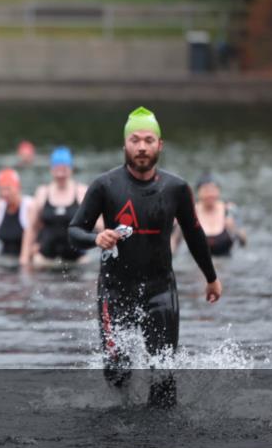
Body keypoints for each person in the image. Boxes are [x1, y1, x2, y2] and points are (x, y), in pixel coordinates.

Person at [68, 107, 221, 404]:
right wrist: (95, 237)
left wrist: (211, 278)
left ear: (160, 145)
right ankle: (121, 436)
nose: (141, 147)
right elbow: (74, 232)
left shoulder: (176, 188)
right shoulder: (105, 185)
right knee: (117, 372)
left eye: (149, 140)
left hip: (160, 290)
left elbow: (194, 234)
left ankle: (159, 446)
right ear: (124, 145)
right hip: (115, 291)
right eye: (135, 140)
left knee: (163, 375)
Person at [20, 147, 91, 267]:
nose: (60, 174)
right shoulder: (42, 193)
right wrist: (24, 258)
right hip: (45, 261)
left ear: (71, 169)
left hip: (77, 261)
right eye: (57, 169)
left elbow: (99, 225)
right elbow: (31, 228)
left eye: (64, 169)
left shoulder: (82, 192)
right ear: (51, 169)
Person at [189, 175, 247, 256]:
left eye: (213, 190)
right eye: (206, 191)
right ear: (198, 192)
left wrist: (234, 229)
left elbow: (244, 243)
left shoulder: (230, 210)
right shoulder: (190, 212)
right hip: (196, 262)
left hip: (225, 259)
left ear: (218, 191)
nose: (210, 194)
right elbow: (174, 241)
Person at [0, 168, 33, 257]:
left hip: (26, 258)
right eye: (1, 189)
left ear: (18, 188)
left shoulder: (29, 207)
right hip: (4, 259)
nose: (4, 193)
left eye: (8, 189)